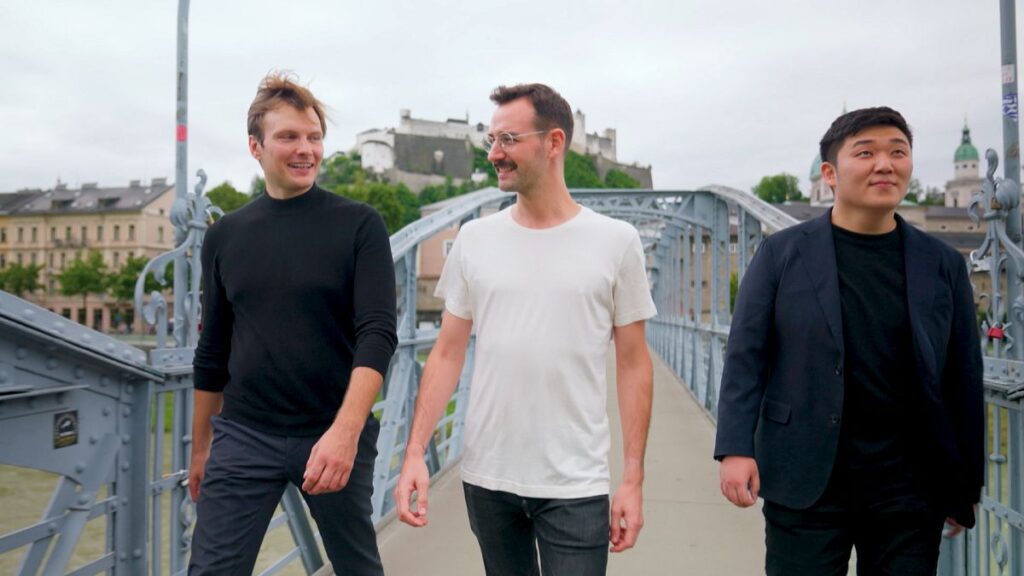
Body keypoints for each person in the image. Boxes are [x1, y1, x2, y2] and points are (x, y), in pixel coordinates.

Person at [393, 83, 657, 575]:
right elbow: (447, 353)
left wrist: (632, 480)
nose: (494, 153)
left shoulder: (617, 242)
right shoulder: (474, 239)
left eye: (509, 139)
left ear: (554, 143)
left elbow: (633, 363)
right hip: (488, 477)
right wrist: (413, 455)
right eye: (491, 140)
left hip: (575, 482)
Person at [714, 107, 984, 575]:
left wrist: (965, 486)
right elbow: (746, 357)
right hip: (805, 477)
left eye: (898, 152)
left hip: (909, 488)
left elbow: (963, 376)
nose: (885, 164)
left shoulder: (942, 263)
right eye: (866, 153)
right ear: (829, 174)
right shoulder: (781, 253)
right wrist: (735, 448)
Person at [188, 72, 397, 575]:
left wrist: (345, 433)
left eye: (314, 137)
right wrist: (201, 449)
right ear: (256, 147)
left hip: (333, 429)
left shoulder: (359, 224)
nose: (305, 149)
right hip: (244, 434)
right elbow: (213, 349)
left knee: (356, 568)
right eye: (288, 137)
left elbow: (377, 334)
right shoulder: (224, 236)